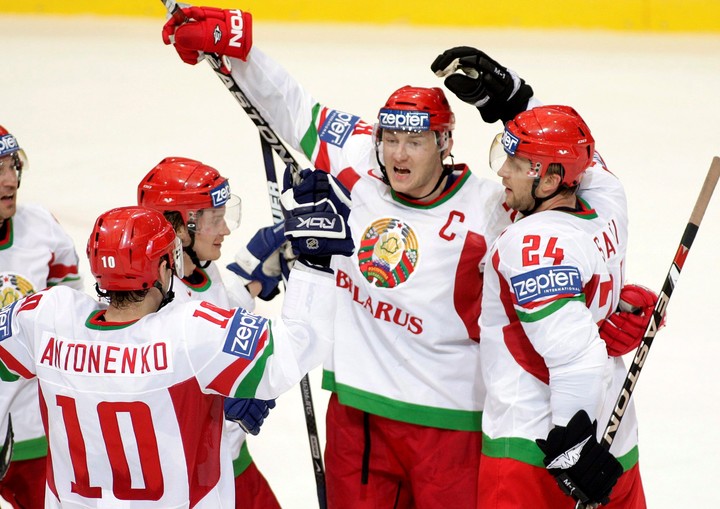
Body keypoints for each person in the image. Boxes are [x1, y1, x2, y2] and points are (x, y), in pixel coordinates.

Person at [161, 13, 654, 508]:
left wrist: (606, 314)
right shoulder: (360, 164)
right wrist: (240, 50)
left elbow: (576, 197)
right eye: (390, 139)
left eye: (414, 142)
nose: (398, 154)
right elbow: (295, 110)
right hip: (359, 413)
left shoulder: (492, 205)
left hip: (453, 423)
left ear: (443, 143)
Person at [0, 165, 353, 507]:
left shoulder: (48, 319)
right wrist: (315, 265)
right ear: (164, 266)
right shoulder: (188, 333)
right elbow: (298, 345)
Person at [432, 47, 654, 508]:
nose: (503, 173)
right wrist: (517, 103)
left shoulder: (532, 245)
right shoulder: (606, 197)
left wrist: (571, 450)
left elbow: (578, 360)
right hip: (615, 441)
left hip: (538, 449)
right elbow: (585, 156)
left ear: (551, 181)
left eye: (516, 164)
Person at [137, 156, 286, 509]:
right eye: (214, 221)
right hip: (186, 487)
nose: (226, 230)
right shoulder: (148, 304)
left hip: (232, 464)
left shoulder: (204, 272)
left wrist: (256, 270)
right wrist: (220, 406)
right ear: (178, 227)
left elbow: (220, 299)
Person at [0, 124, 83, 509]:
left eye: (12, 165)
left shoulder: (42, 230)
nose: (10, 180)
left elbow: (74, 319)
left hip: (36, 428)